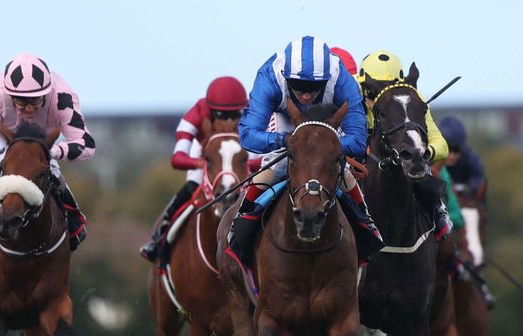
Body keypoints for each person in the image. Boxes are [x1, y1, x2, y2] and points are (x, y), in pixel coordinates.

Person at [231, 36, 384, 267]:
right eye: (299, 87)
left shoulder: (341, 79)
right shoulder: (270, 76)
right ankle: (239, 228)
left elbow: (357, 140)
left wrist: (319, 147)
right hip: (287, 124)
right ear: (285, 77)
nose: (305, 95)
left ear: (327, 79)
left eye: (314, 88)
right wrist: (287, 140)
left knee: (343, 173)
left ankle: (367, 226)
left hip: (326, 127)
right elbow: (248, 134)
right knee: (276, 167)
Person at [0, 53, 94, 261]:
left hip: (39, 139)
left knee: (50, 172)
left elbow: (87, 145)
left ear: (47, 93)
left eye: (36, 101)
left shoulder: (62, 99)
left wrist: (55, 152)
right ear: (9, 95)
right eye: (22, 103)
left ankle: (74, 216)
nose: (29, 109)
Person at [139, 76, 248, 262]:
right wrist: (205, 163)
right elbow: (177, 158)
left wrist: (243, 164)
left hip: (240, 155)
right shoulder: (195, 114)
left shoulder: (254, 111)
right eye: (222, 116)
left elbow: (261, 153)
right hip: (207, 155)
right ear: (211, 111)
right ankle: (159, 238)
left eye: (235, 115)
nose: (230, 121)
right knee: (189, 189)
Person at [356, 49, 453, 240]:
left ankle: (437, 212)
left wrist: (422, 152)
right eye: (371, 91)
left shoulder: (413, 99)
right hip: (360, 162)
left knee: (419, 168)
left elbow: (441, 146)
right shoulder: (349, 94)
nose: (376, 98)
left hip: (401, 161)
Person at [438, 115, 496, 308]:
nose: (453, 154)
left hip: (466, 204)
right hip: (443, 204)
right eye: (449, 149)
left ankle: (476, 272)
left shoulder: (471, 159)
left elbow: (478, 181)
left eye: (456, 149)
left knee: (471, 218)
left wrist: (462, 189)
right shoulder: (435, 159)